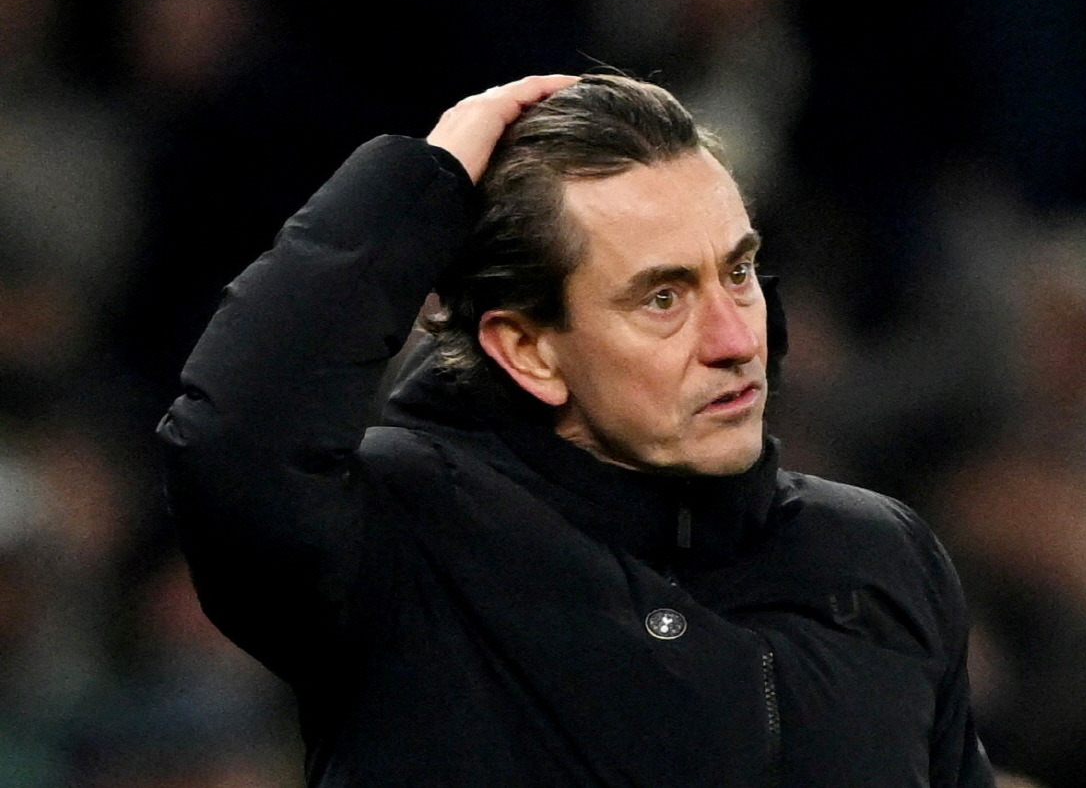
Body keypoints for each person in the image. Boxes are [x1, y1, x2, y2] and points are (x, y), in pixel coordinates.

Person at [158, 74, 995, 786]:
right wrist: (421, 179)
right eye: (663, 297)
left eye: (738, 271)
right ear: (528, 350)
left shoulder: (879, 554)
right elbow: (235, 446)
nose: (737, 340)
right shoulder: (401, 538)